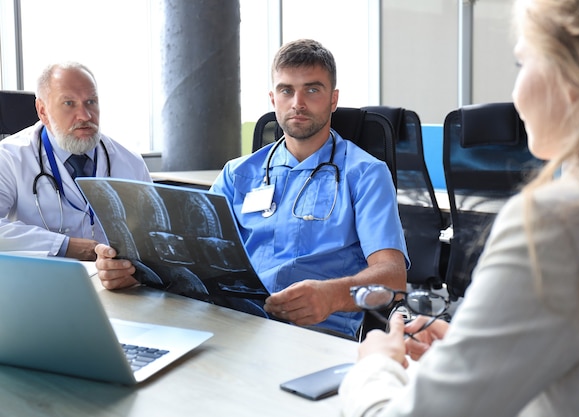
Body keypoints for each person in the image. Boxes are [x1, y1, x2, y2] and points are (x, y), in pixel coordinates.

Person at [340, 0, 579, 416]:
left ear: (571, 79)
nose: (515, 93)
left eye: (521, 63)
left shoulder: (559, 226)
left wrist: (375, 366)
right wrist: (472, 350)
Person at [94, 38, 409, 339]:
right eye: (286, 90)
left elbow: (393, 277)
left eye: (312, 89)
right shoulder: (239, 173)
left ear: (333, 99)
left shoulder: (365, 174)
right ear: (273, 99)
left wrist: (332, 295)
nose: (298, 103)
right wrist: (131, 269)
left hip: (314, 330)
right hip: (232, 319)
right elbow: (192, 250)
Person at [0, 62, 151, 261]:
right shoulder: (10, 157)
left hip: (117, 283)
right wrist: (64, 245)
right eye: (69, 103)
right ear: (42, 110)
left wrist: (130, 270)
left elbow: (152, 235)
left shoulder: (130, 161)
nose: (85, 115)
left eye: (91, 102)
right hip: (42, 280)